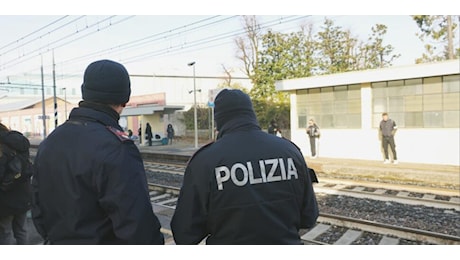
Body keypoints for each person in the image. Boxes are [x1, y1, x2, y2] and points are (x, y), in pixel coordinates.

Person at [31, 59, 164, 245]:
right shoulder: (116, 148)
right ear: (124, 98)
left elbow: (37, 208)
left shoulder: (51, 141)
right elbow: (137, 226)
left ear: (86, 93)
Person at [171, 89, 319, 245]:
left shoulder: (205, 161)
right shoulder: (290, 151)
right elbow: (309, 217)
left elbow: (184, 233)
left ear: (219, 119)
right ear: (251, 113)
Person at [0, 123, 32, 245]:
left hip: (5, 197)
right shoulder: (19, 141)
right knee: (22, 230)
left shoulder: (1, 146)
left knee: (5, 232)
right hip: (23, 193)